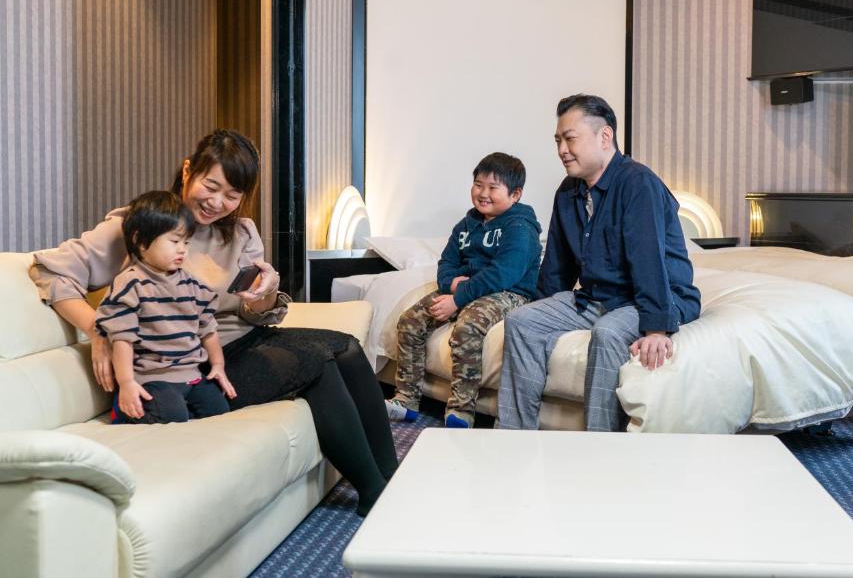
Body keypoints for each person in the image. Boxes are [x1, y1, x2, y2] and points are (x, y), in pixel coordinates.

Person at [30, 130, 397, 516]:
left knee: (346, 348)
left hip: (245, 343)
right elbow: (52, 271)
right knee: (319, 364)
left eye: (232, 195)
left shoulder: (240, 233)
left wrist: (267, 292)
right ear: (189, 170)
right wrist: (99, 330)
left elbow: (253, 313)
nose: (218, 203)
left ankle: (388, 478)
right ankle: (374, 492)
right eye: (211, 186)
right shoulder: (144, 224)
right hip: (191, 368)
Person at [497, 94, 702, 431]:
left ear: (605, 136)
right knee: (522, 322)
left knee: (607, 333)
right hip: (598, 297)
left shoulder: (638, 183)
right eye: (558, 141)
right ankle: (513, 436)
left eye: (570, 139)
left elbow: (649, 262)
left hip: (657, 296)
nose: (562, 149)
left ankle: (598, 446)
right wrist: (541, 306)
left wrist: (656, 329)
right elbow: (558, 265)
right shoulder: (568, 191)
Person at [385, 152, 542, 428]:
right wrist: (451, 284)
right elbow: (446, 262)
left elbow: (503, 273)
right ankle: (406, 399)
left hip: (509, 292)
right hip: (466, 289)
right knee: (410, 321)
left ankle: (461, 411)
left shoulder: (520, 227)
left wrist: (458, 298)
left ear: (515, 194)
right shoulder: (465, 225)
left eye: (493, 187)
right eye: (478, 185)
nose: (483, 193)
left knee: (468, 327)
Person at [96, 190, 237, 424]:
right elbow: (122, 339)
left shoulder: (193, 285)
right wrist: (127, 383)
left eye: (186, 242)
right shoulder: (131, 284)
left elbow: (208, 329)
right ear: (140, 241)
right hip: (151, 378)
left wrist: (218, 366)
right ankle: (124, 412)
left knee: (219, 409)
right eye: (174, 241)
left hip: (192, 375)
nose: (183, 249)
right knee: (173, 414)